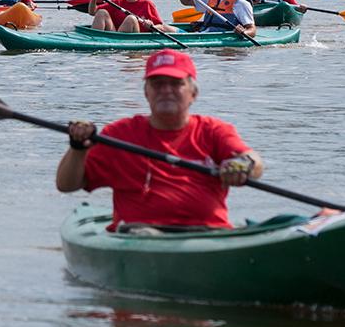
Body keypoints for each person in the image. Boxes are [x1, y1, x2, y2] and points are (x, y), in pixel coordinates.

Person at [57, 50, 264, 231]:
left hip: (209, 232)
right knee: (144, 234)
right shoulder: (119, 134)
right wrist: (78, 148)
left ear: (193, 93)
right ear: (146, 93)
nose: (166, 90)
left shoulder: (214, 131)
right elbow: (67, 185)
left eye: (176, 83)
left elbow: (254, 161)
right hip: (140, 235)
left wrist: (242, 165)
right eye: (157, 84)